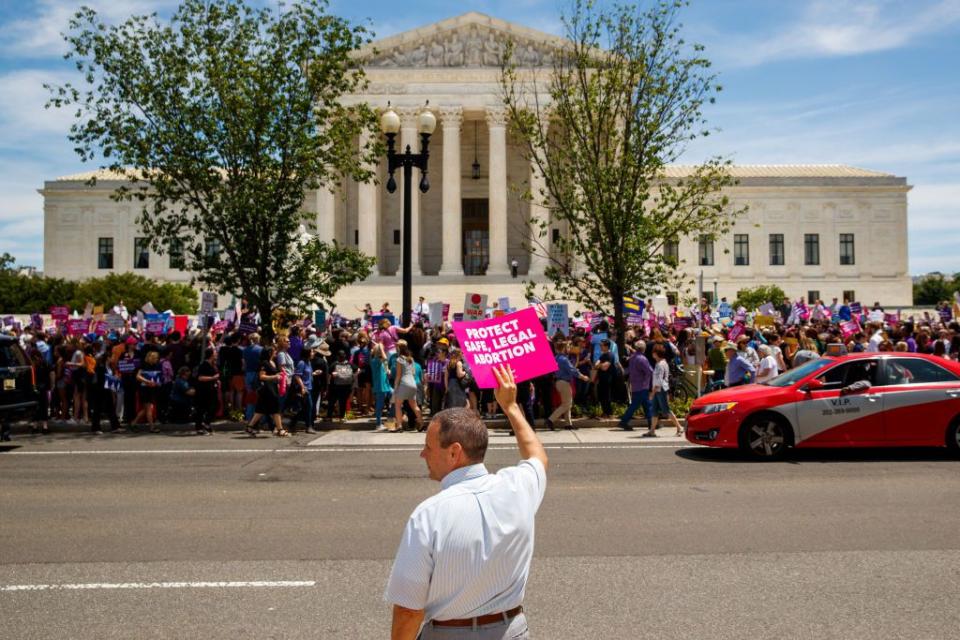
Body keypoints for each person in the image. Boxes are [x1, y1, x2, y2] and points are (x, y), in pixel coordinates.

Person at [385, 364, 547, 640]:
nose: (423, 455)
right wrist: (510, 407)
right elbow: (537, 456)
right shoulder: (517, 487)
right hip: (512, 631)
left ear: (454, 453)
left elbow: (409, 611)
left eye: (429, 447)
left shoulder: (429, 515)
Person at [244, 347, 289, 437]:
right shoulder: (264, 363)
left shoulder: (272, 362)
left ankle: (249, 427)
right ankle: (280, 430)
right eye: (274, 350)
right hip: (267, 389)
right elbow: (262, 377)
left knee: (260, 410)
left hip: (272, 388)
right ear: (269, 353)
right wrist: (275, 376)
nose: (276, 351)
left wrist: (279, 377)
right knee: (275, 409)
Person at [546, 340, 588, 430]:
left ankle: (568, 424)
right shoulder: (564, 359)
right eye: (568, 347)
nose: (569, 349)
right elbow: (572, 370)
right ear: (564, 348)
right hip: (564, 383)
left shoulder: (556, 358)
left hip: (559, 382)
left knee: (567, 403)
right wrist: (583, 377)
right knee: (566, 404)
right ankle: (550, 419)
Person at [644, 344, 683, 437]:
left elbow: (658, 381)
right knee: (655, 410)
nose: (652, 354)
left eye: (653, 352)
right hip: (661, 389)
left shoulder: (659, 365)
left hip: (660, 390)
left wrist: (652, 393)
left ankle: (679, 427)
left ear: (656, 354)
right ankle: (652, 430)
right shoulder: (663, 363)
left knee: (666, 410)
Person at [617, 340, 653, 431]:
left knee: (647, 405)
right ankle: (624, 421)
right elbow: (649, 371)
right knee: (636, 405)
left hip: (635, 385)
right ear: (643, 348)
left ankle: (651, 423)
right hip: (642, 385)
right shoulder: (642, 358)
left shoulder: (632, 357)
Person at [393, 341, 423, 432]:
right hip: (413, 383)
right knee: (414, 405)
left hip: (404, 383)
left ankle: (399, 426)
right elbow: (413, 373)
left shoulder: (399, 359)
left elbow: (398, 375)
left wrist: (395, 386)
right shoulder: (411, 359)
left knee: (398, 405)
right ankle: (421, 423)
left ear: (399, 348)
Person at [327, 350, 356, 423]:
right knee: (343, 402)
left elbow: (329, 374)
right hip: (347, 386)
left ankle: (329, 417)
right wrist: (353, 377)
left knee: (332, 401)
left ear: (337, 357)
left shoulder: (334, 364)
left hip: (335, 386)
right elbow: (357, 370)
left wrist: (328, 384)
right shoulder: (349, 364)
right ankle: (342, 417)